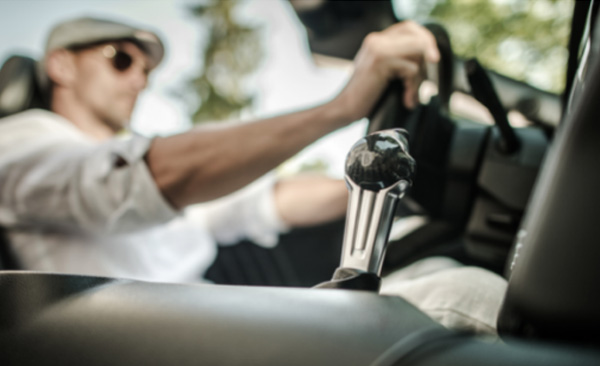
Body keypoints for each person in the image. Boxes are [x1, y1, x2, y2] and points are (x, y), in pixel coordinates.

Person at [0, 15, 506, 333]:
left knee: (436, 276)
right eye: (121, 59)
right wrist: (341, 107)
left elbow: (268, 200)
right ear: (61, 66)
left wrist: (386, 177)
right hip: (150, 353)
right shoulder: (21, 141)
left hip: (214, 325)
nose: (139, 79)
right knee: (464, 297)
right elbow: (143, 176)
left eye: (146, 71)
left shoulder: (129, 167)